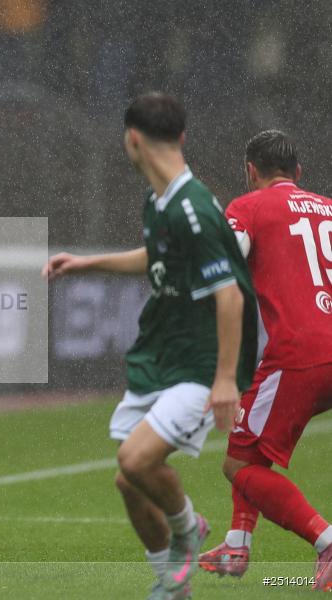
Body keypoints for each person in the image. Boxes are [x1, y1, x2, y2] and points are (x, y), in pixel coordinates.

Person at [42, 93, 257, 599]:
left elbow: (229, 296)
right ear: (180, 137)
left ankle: (188, 530)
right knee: (130, 482)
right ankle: (170, 583)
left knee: (136, 462)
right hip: (163, 356)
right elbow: (154, 257)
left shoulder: (195, 208)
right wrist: (86, 264)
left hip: (200, 365)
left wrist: (225, 380)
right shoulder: (159, 199)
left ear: (132, 139)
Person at [197, 130, 332, 591]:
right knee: (247, 445)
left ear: (251, 171)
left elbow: (223, 271)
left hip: (300, 353)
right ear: (299, 173)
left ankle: (326, 540)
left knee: (238, 465)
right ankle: (237, 544)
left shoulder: (249, 207)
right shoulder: (329, 208)